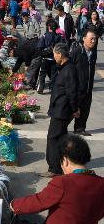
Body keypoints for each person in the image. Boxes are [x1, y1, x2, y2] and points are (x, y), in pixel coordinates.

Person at [44, 43, 79, 177]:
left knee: (53, 138)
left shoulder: (69, 69)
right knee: (61, 138)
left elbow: (72, 92)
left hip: (62, 110)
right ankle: (62, 164)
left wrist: (75, 109)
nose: (54, 57)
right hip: (60, 108)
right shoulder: (64, 67)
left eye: (54, 54)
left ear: (60, 54)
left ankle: (54, 169)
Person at [71, 29, 97, 136]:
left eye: (94, 39)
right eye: (91, 38)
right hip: (77, 88)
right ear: (84, 39)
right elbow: (68, 68)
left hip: (88, 88)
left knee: (85, 110)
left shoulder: (93, 53)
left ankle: (80, 128)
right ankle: (61, 129)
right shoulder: (77, 51)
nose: (93, 41)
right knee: (71, 110)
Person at [36, 19, 62, 94]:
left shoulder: (44, 36)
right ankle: (52, 88)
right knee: (54, 74)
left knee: (42, 73)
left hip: (45, 58)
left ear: (49, 27)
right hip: (55, 58)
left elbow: (40, 47)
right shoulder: (58, 37)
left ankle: (41, 88)